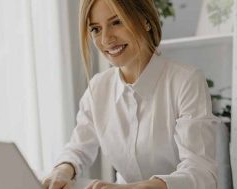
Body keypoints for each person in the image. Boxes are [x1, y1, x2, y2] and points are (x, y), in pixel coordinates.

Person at [42, 0, 219, 188]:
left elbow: (201, 173)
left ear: (145, 20)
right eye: (95, 29)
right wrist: (63, 169)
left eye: (117, 22)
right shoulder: (98, 88)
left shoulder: (186, 81)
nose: (105, 40)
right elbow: (78, 147)